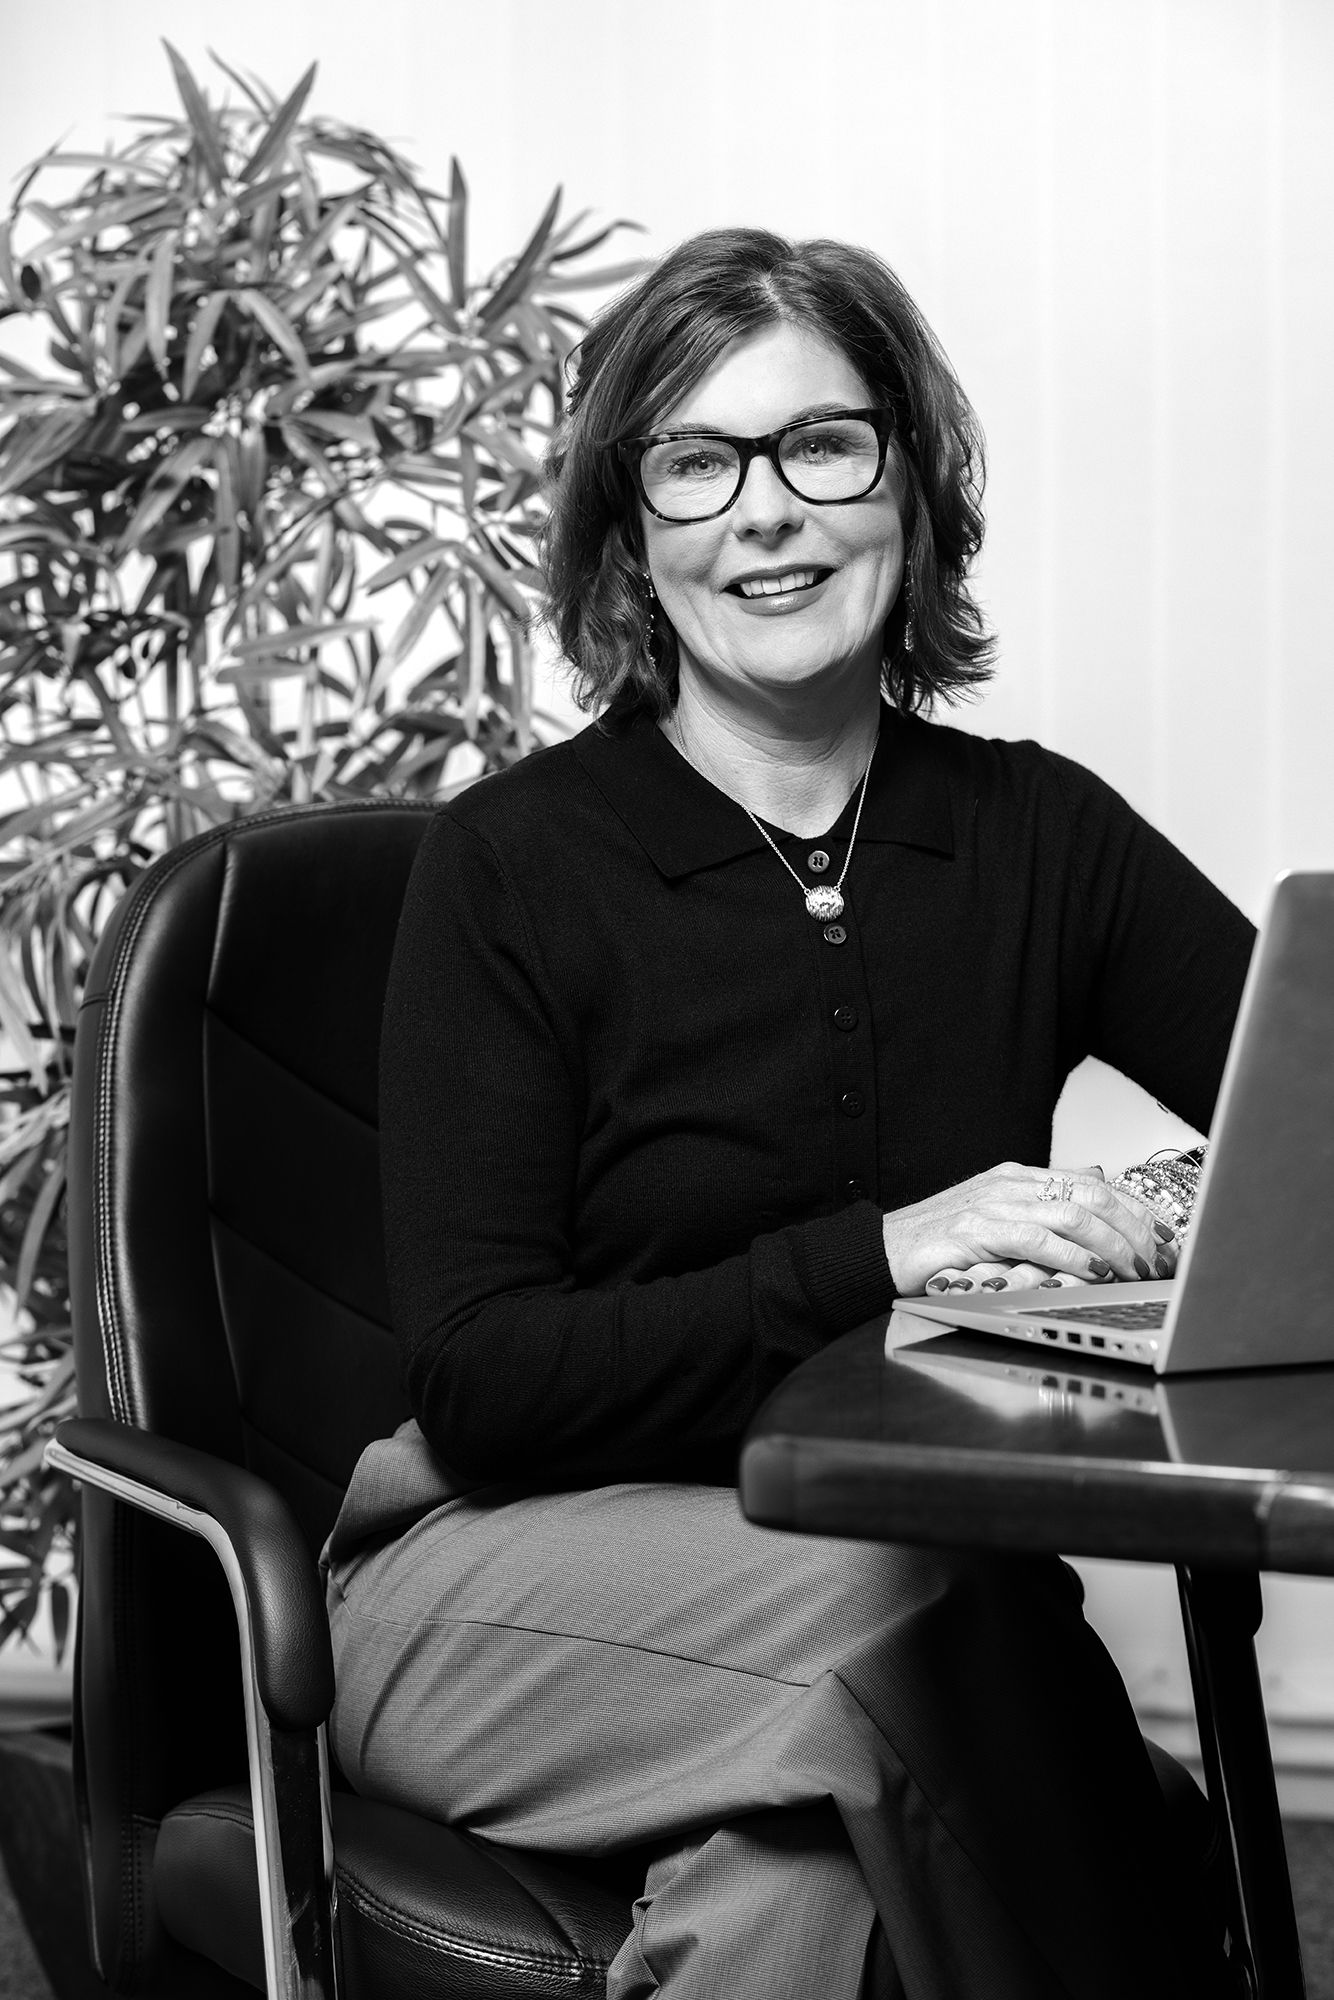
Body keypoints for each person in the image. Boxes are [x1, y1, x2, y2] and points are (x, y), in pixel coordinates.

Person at [323, 227, 1255, 1998]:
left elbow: (1313, 1116)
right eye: (697, 461)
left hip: (882, 1591)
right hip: (488, 1585)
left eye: (824, 445)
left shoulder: (1037, 835)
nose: (767, 510)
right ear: (632, 528)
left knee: (799, 1900)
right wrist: (892, 1252)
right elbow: (485, 1376)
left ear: (908, 483)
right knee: (944, 1640)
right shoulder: (511, 869)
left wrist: (1172, 1204)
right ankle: (1158, 1870)